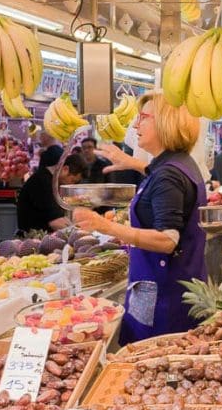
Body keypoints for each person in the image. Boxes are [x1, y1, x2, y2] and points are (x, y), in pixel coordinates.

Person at [72, 91, 208, 344]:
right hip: (179, 288)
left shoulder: (168, 175)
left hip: (164, 299)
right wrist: (134, 164)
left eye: (143, 118)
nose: (135, 125)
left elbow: (167, 240)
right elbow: (165, 182)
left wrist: (106, 226)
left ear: (167, 123)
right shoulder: (179, 164)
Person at [16, 152, 86, 233]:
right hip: (33, 238)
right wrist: (80, 234)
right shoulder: (43, 182)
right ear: (65, 169)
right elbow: (56, 222)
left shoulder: (49, 180)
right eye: (72, 180)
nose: (71, 184)